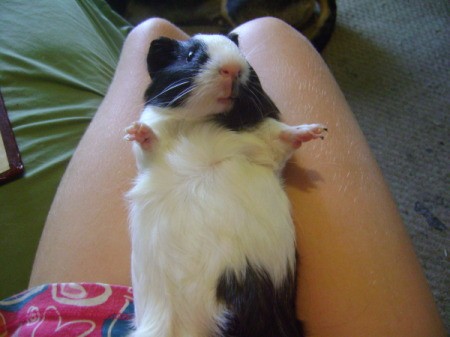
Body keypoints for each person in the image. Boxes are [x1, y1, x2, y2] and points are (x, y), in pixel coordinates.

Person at [27, 18, 445, 336]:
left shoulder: (230, 127)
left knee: (149, 29)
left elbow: (266, 147)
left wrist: (285, 137)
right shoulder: (161, 123)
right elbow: (153, 155)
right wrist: (148, 138)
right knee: (268, 30)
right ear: (166, 66)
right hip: (228, 308)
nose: (231, 70)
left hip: (185, 309)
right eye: (194, 58)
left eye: (237, 63)